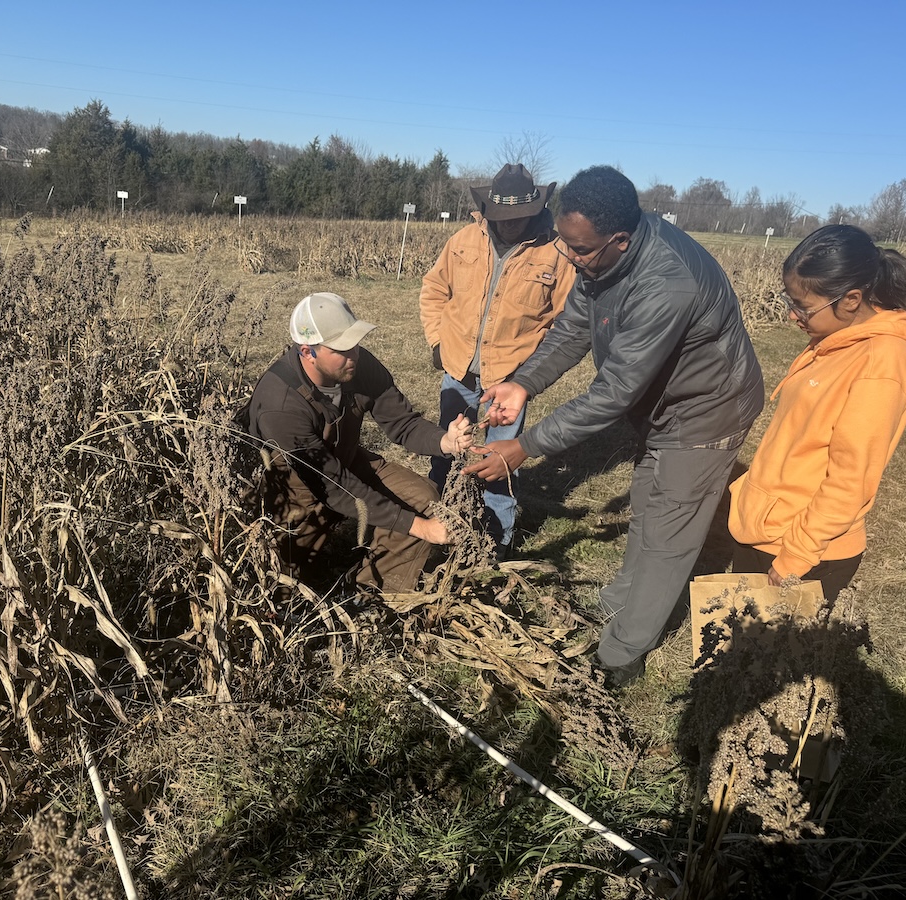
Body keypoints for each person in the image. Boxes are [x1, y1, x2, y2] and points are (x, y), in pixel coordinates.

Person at [463, 165, 765, 686]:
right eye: (565, 245)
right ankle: (620, 606)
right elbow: (576, 325)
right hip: (661, 407)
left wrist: (527, 445)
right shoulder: (598, 257)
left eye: (580, 251)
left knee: (670, 533)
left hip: (705, 412)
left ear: (620, 240)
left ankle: (622, 655)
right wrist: (524, 383)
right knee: (649, 505)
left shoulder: (666, 283)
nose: (572, 260)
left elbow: (614, 392)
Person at [728, 224, 906, 602]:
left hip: (801, 547)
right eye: (789, 300)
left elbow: (851, 479)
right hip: (769, 526)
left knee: (768, 658)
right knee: (740, 651)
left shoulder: (880, 363)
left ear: (851, 299)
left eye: (803, 307)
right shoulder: (833, 342)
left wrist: (795, 557)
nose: (793, 316)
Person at [247, 292, 474, 594]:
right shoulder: (282, 405)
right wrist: (421, 528)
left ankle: (374, 594)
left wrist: (445, 440)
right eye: (341, 349)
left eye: (354, 344)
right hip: (294, 483)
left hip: (345, 459)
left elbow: (402, 423)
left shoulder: (357, 364)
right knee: (283, 584)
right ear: (307, 351)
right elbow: (335, 487)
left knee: (423, 497)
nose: (353, 354)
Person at [419, 164, 576, 557]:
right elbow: (434, 289)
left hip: (509, 380)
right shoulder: (463, 241)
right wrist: (438, 342)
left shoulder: (556, 255)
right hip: (457, 369)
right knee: (447, 449)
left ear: (535, 209)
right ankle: (435, 528)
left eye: (517, 217)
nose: (508, 225)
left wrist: (528, 378)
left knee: (501, 462)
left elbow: (567, 325)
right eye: (501, 217)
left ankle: (493, 544)